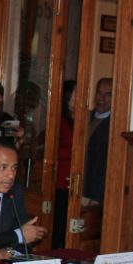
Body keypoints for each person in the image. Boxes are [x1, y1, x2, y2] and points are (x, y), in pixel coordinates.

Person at [52, 80, 76, 249]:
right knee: (60, 222)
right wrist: (75, 154)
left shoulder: (83, 119)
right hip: (62, 178)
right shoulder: (61, 121)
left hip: (78, 179)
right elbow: (54, 150)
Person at [83, 77, 112, 203]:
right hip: (79, 184)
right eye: (99, 93)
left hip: (98, 191)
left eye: (107, 94)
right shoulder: (85, 117)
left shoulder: (114, 125)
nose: (102, 98)